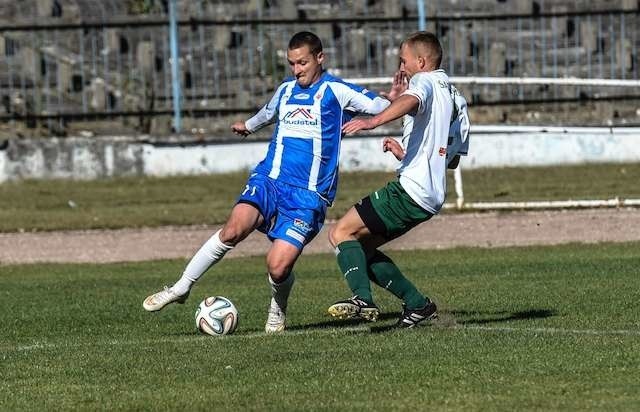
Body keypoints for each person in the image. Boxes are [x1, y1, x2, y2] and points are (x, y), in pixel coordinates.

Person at [143, 31, 396, 333]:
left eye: (302, 63)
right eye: (291, 64)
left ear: (320, 58)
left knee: (278, 266)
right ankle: (181, 288)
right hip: (270, 179)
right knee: (233, 229)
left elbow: (380, 108)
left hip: (308, 195)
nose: (296, 70)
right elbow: (269, 112)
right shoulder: (286, 89)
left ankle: (278, 307)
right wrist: (248, 127)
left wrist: (393, 99)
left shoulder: (337, 91)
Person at [326, 31, 470, 328]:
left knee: (341, 233)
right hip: (431, 197)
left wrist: (373, 121)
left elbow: (412, 99)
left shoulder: (424, 81)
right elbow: (450, 158)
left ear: (421, 60)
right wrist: (406, 153)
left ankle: (361, 300)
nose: (402, 68)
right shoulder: (457, 99)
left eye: (403, 61)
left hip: (410, 191)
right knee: (362, 249)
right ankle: (418, 305)